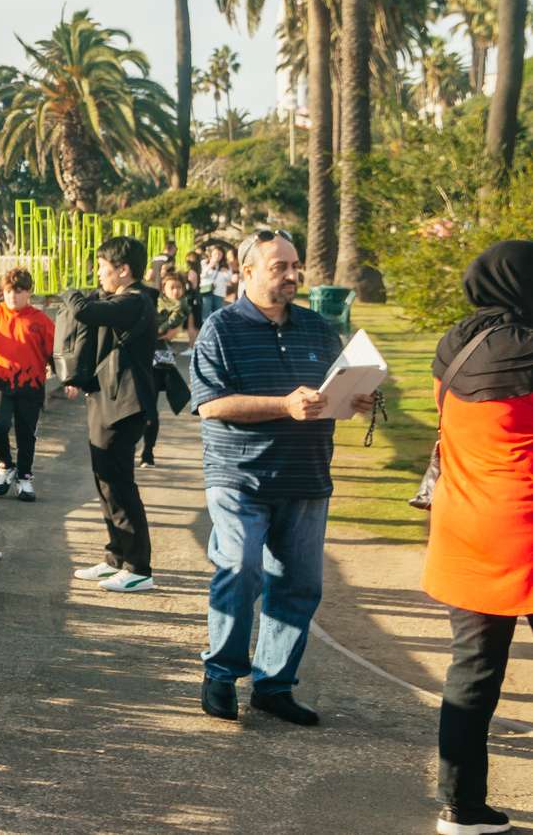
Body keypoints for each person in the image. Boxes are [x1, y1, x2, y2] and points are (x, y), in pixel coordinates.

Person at [188, 230, 375, 728]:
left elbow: (331, 399)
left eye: (295, 266)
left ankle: (273, 686)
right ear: (246, 271)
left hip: (306, 478)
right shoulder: (220, 330)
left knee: (299, 586)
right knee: (240, 569)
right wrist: (283, 406)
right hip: (239, 477)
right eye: (279, 267)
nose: (292, 275)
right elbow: (210, 405)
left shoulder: (317, 329)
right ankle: (222, 675)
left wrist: (355, 400)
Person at [422, 241, 533, 835]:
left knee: (472, 673)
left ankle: (461, 808)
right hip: (524, 529)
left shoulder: (455, 344)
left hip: (465, 529)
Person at [63, 236, 161, 594]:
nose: (99, 275)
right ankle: (115, 557)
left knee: (119, 483)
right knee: (104, 480)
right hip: (109, 400)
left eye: (104, 269)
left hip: (124, 405)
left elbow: (84, 311)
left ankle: (139, 566)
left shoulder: (135, 302)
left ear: (124, 271)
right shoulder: (125, 300)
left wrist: (71, 291)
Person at [0, 267, 55, 503]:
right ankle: (5, 464)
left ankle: (24, 477)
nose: (13, 296)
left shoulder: (41, 320)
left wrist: (69, 378)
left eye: (19, 291)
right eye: (8, 291)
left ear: (29, 292)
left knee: (26, 433)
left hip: (31, 384)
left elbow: (54, 351)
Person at [141, 269, 196, 469]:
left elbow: (166, 332)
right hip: (140, 357)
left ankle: (148, 452)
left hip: (157, 359)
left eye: (179, 287)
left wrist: (153, 331)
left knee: (150, 408)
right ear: (163, 288)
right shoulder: (153, 299)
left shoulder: (180, 307)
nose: (176, 291)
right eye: (172, 287)